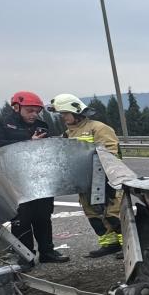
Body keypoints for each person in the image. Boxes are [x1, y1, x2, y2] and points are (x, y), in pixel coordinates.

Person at [0, 91, 69, 265]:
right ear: (16, 108)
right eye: (29, 110)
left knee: (43, 216)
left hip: (39, 178)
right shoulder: (0, 123)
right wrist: (28, 140)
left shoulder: (41, 125)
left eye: (36, 111)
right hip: (13, 180)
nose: (34, 115)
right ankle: (25, 256)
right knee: (22, 219)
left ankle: (47, 252)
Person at [47, 93, 123, 258]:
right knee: (94, 215)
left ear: (76, 111)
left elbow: (111, 153)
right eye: (62, 115)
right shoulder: (68, 134)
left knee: (113, 214)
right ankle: (109, 244)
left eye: (65, 114)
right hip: (84, 182)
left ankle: (129, 245)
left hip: (105, 180)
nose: (63, 118)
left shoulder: (98, 128)